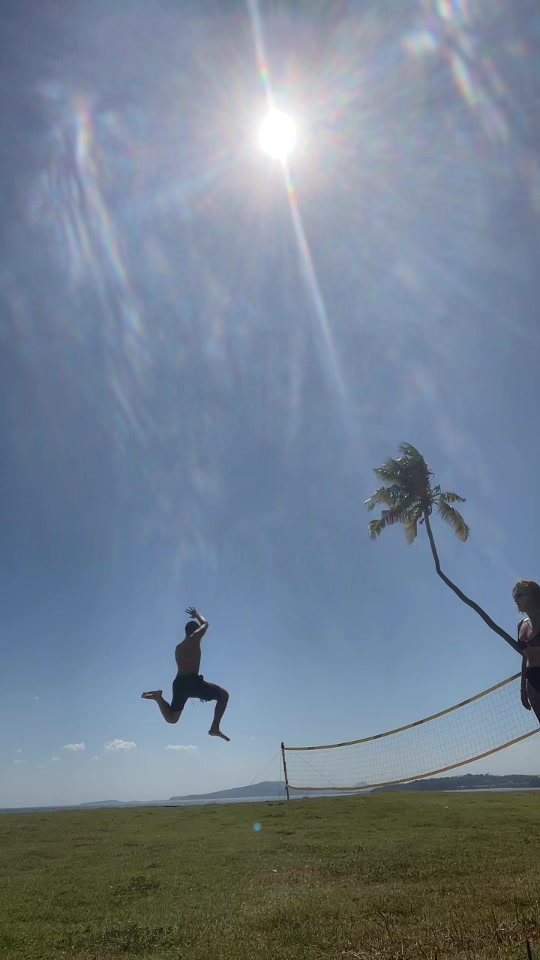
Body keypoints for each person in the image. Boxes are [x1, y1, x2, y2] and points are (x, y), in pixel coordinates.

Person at [142, 606, 230, 741]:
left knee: (172, 719)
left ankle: (159, 698)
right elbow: (205, 624)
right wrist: (197, 615)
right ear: (195, 631)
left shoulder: (178, 647)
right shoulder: (194, 638)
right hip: (191, 681)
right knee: (223, 695)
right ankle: (214, 728)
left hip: (179, 683)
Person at [514, 580, 540, 725]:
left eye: (519, 595)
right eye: (515, 597)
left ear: (532, 595)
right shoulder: (521, 625)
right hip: (532, 680)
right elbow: (525, 659)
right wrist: (523, 689)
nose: (516, 600)